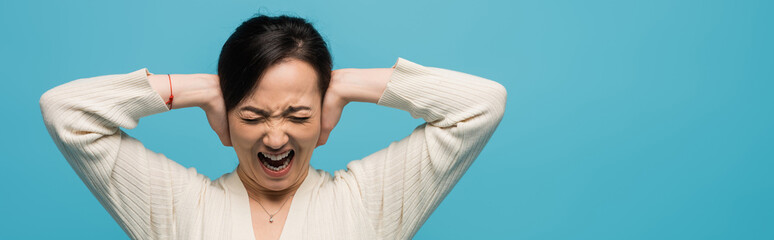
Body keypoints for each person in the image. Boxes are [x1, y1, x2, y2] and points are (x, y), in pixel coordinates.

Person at [40, 14, 506, 240]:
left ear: (322, 119)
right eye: (253, 116)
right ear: (225, 121)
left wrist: (342, 86)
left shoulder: (369, 203)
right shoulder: (180, 207)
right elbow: (67, 112)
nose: (276, 137)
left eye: (298, 116)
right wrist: (200, 88)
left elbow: (481, 104)